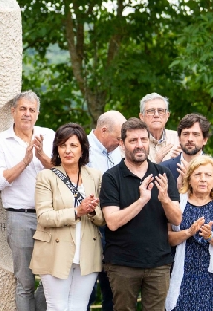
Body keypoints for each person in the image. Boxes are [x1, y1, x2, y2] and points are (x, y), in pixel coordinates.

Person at [100, 118, 181, 311]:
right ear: (122, 143)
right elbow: (111, 222)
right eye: (133, 140)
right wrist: (142, 200)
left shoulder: (163, 174)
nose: (139, 145)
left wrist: (165, 200)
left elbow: (177, 218)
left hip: (159, 263)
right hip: (122, 264)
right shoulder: (111, 177)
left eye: (143, 140)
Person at [0, 90, 54, 311]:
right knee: (24, 282)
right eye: (23, 109)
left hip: (50, 217)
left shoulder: (50, 135)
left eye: (31, 110)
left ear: (37, 114)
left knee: (51, 280)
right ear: (13, 111)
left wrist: (42, 157)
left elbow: (65, 172)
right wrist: (25, 161)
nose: (27, 114)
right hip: (19, 217)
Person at [30, 123, 104, 311]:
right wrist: (76, 212)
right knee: (57, 307)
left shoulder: (96, 176)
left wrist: (92, 210)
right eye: (62, 145)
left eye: (73, 145)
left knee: (79, 307)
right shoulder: (46, 176)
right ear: (56, 149)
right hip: (54, 249)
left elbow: (104, 218)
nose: (67, 150)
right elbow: (44, 216)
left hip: (87, 249)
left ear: (83, 149)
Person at [165, 155, 213, 311]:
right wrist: (188, 232)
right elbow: (168, 239)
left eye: (208, 175)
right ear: (189, 179)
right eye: (198, 174)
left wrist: (210, 236)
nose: (203, 179)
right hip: (180, 275)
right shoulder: (177, 203)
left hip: (211, 280)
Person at [86, 111, 125, 311]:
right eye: (119, 137)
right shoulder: (82, 148)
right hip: (89, 226)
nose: (121, 142)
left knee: (113, 288)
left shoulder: (118, 152)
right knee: (87, 290)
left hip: (114, 227)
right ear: (103, 131)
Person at [160, 113, 213, 196]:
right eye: (186, 134)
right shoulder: (164, 168)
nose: (190, 139)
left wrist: (188, 186)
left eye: (195, 134)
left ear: (205, 140)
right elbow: (158, 205)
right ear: (179, 138)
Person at [138, 93, 180, 163]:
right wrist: (156, 161)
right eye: (151, 111)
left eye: (160, 111)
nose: (156, 115)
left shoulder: (178, 139)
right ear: (142, 117)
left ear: (167, 116)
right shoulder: (134, 141)